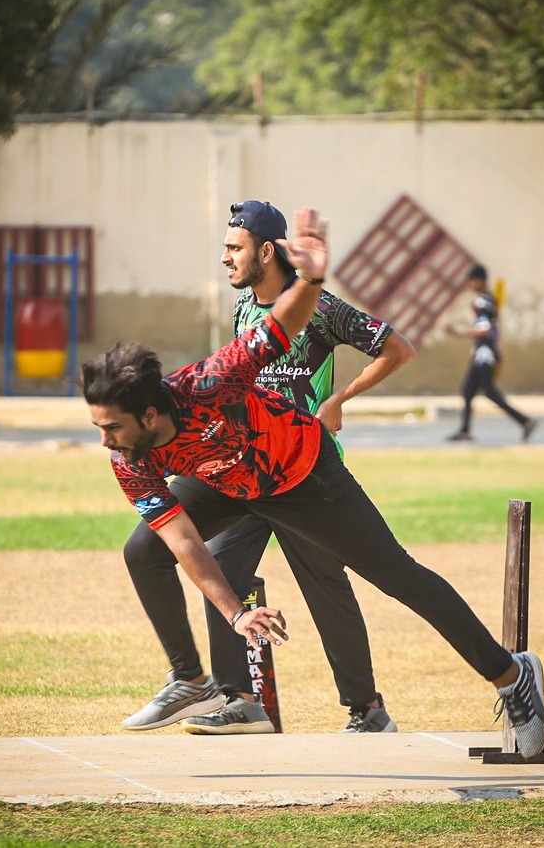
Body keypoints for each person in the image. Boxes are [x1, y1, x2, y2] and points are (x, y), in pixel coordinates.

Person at [82, 207, 544, 760]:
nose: (105, 441)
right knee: (143, 550)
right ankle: (192, 680)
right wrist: (237, 612)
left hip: (304, 474)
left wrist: (311, 279)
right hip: (230, 482)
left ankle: (510, 676)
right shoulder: (128, 457)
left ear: (151, 414)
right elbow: (181, 539)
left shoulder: (210, 382)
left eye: (113, 428)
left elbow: (281, 329)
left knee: (397, 576)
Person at [184, 200, 415, 736]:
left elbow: (396, 349)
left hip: (306, 476)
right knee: (219, 570)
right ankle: (241, 700)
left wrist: (340, 398)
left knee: (325, 587)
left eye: (234, 248)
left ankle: (368, 709)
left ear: (266, 251)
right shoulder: (244, 309)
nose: (224, 258)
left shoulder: (319, 306)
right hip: (251, 474)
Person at [445, 264, 537, 442]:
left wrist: (458, 333)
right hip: (482, 353)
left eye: (472, 280)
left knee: (489, 392)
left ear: (480, 280)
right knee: (468, 390)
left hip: (484, 354)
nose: (470, 284)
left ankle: (526, 421)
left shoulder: (483, 302)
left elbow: (484, 329)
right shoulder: (488, 299)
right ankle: (465, 431)